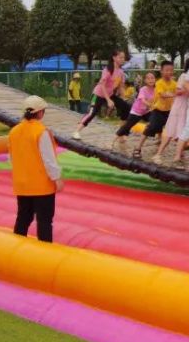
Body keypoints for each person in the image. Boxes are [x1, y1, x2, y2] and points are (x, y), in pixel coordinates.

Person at [9, 95, 63, 243]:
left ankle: (15, 249)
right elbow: (48, 159)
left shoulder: (14, 132)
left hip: (22, 184)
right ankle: (45, 254)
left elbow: (13, 158)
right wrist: (57, 178)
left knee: (23, 218)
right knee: (44, 221)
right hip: (41, 186)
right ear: (40, 113)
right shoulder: (41, 132)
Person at [73, 50, 129, 138]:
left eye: (123, 58)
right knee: (92, 113)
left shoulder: (121, 72)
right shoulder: (107, 70)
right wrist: (108, 100)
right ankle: (76, 131)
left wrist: (124, 98)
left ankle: (121, 132)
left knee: (126, 107)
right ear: (114, 58)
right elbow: (102, 85)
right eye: (120, 57)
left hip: (110, 95)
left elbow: (121, 87)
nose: (123, 59)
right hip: (98, 94)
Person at [153, 56, 189, 164]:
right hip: (179, 107)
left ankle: (180, 154)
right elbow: (178, 92)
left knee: (182, 132)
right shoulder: (184, 76)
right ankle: (158, 154)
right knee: (170, 131)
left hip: (187, 107)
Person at [135, 61, 176, 156]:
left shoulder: (174, 83)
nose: (169, 72)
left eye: (171, 70)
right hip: (157, 111)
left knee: (172, 129)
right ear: (161, 71)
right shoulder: (159, 83)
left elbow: (176, 95)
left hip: (168, 111)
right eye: (167, 70)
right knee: (151, 128)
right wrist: (175, 94)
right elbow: (163, 95)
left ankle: (179, 150)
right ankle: (138, 148)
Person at [113, 71, 156, 152]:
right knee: (127, 126)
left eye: (152, 78)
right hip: (137, 111)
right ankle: (112, 141)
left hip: (146, 111)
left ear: (155, 79)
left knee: (155, 122)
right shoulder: (143, 89)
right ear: (145, 81)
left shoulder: (156, 89)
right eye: (148, 78)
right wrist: (151, 105)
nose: (151, 80)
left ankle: (159, 139)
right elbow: (143, 100)